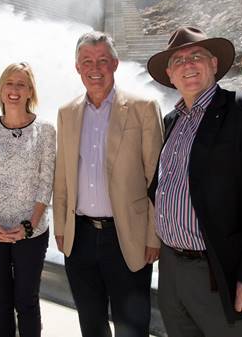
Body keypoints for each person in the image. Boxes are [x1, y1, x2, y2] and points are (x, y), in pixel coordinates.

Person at [146, 26, 242, 337]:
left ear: (213, 64)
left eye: (196, 56)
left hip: (222, 273)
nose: (188, 65)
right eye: (179, 61)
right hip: (172, 271)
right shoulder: (171, 122)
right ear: (170, 75)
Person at [53, 31, 163, 337]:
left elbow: (157, 178)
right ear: (77, 67)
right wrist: (62, 227)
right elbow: (62, 176)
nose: (95, 68)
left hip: (127, 237)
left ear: (115, 64)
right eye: (87, 61)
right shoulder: (67, 113)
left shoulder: (144, 107)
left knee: (132, 329)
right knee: (91, 325)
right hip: (80, 237)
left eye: (103, 60)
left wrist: (153, 237)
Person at [0, 62, 55, 337]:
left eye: (21, 84)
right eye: (9, 83)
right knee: (0, 301)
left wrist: (29, 225)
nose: (14, 89)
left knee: (26, 301)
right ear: (1, 89)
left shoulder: (45, 130)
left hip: (31, 232)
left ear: (30, 90)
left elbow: (46, 182)